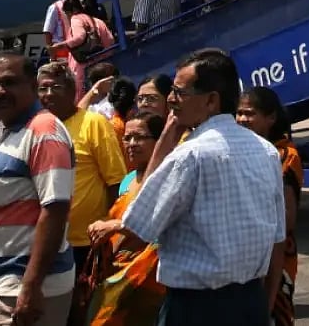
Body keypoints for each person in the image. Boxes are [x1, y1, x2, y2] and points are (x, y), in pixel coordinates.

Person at [87, 48, 285, 326]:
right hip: (250, 302)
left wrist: (168, 135)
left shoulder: (189, 155)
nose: (171, 99)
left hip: (197, 308)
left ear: (211, 100)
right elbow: (277, 236)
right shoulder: (267, 151)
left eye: (180, 92)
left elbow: (138, 224)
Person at [0, 52, 76, 325]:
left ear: (33, 86)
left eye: (10, 82)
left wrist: (31, 287)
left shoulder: (43, 131)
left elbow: (55, 210)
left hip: (25, 286)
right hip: (7, 283)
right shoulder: (12, 132)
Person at [35, 61, 127, 303]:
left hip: (86, 244)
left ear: (72, 90)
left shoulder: (93, 123)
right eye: (42, 89)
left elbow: (116, 181)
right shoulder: (35, 128)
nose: (48, 94)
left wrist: (110, 229)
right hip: (47, 242)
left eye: (55, 87)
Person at [84, 111, 167, 326]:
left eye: (139, 137)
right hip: (115, 272)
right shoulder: (128, 180)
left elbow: (158, 224)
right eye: (127, 138)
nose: (131, 143)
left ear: (159, 141)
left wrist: (114, 226)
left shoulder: (165, 179)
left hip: (147, 279)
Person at [237, 87, 303, 326]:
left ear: (271, 117)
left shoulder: (285, 154)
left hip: (276, 256)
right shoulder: (243, 149)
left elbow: (286, 219)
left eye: (250, 113)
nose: (243, 119)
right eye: (239, 113)